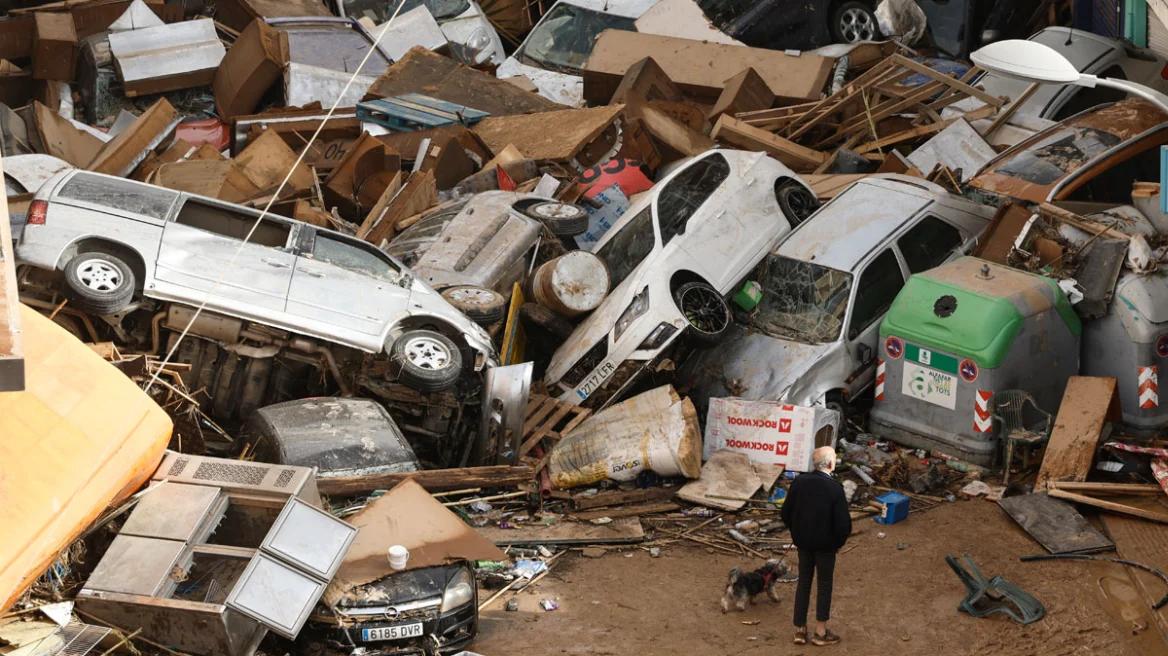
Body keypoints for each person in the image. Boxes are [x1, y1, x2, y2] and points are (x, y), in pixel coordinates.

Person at [779, 445, 851, 646]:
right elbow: (843, 524)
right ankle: (821, 632)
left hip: (803, 543)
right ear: (830, 463)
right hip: (826, 546)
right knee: (824, 584)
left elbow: (785, 513)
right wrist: (838, 543)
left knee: (804, 582)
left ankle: (800, 630)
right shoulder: (836, 489)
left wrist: (797, 532)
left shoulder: (799, 483)